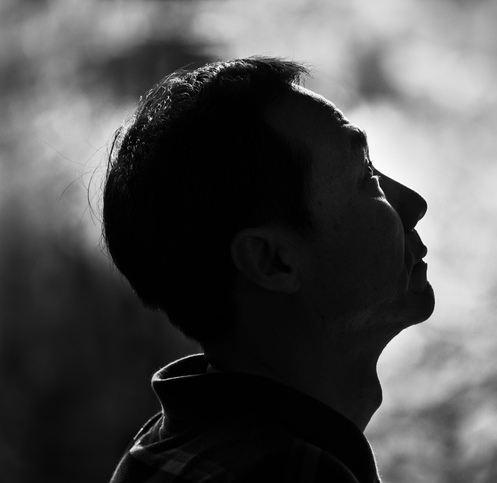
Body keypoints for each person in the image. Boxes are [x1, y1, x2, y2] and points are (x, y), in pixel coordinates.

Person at [103, 56, 434, 483]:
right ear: (272, 261)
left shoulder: (160, 451)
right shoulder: (293, 474)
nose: (413, 203)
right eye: (366, 176)